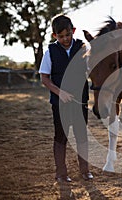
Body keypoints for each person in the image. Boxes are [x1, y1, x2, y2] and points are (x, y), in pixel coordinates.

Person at [39, 14, 93, 182]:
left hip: (80, 103)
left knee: (81, 137)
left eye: (68, 35)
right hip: (59, 104)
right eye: (61, 36)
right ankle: (61, 174)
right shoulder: (50, 52)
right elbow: (44, 78)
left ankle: (85, 171)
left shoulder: (83, 49)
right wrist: (59, 92)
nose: (65, 39)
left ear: (73, 31)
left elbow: (93, 68)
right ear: (55, 36)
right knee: (61, 137)